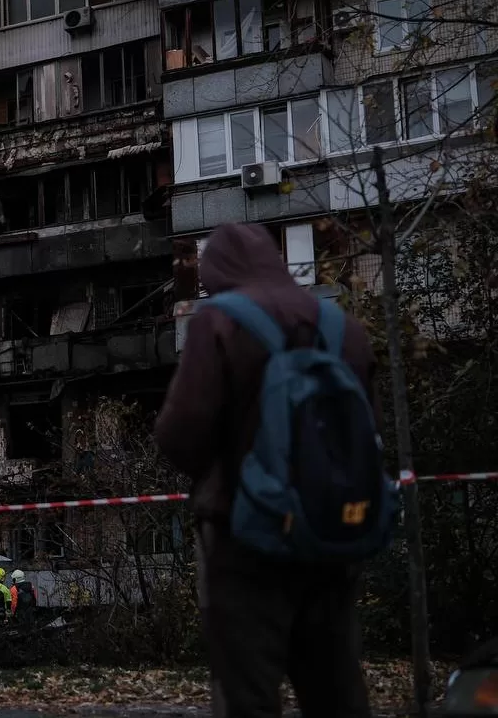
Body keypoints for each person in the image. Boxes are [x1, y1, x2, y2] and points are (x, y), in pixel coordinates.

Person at [155, 222, 379, 718]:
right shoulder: (342, 327)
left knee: (249, 692)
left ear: (217, 273)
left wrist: (224, 477)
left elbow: (180, 432)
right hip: (332, 535)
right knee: (337, 688)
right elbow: (367, 428)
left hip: (246, 536)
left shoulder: (218, 321)